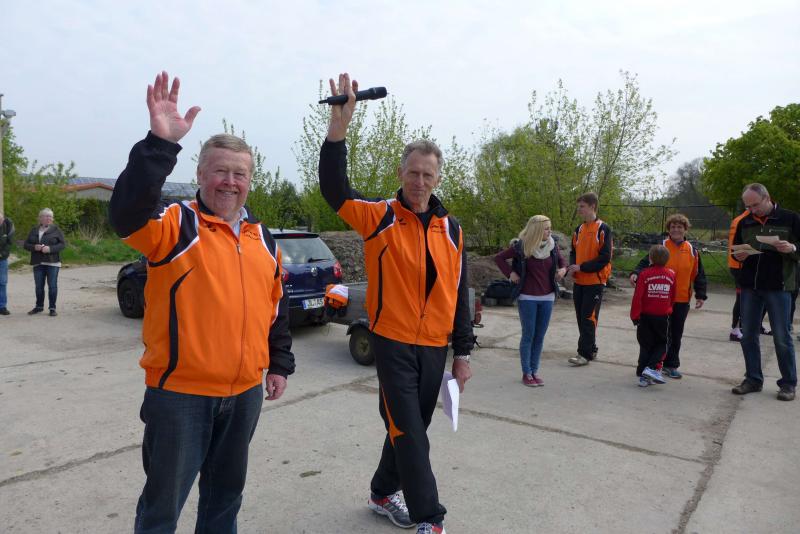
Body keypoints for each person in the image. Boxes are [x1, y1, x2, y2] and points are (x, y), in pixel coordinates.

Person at [108, 71, 294, 533]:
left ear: (250, 180)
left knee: (224, 502)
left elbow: (275, 307)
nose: (230, 182)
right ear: (200, 174)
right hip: (181, 396)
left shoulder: (263, 239)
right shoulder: (175, 226)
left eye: (240, 173)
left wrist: (278, 363)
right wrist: (159, 144)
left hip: (245, 393)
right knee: (162, 509)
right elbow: (126, 214)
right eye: (220, 171)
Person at [319, 73, 473, 534]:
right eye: (413, 173)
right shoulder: (379, 217)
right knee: (408, 430)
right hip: (392, 343)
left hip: (434, 346)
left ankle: (382, 491)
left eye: (428, 174)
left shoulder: (452, 230)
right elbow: (334, 188)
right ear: (401, 174)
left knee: (410, 431)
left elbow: (458, 292)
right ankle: (431, 518)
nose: (420, 181)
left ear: (438, 178)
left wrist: (462, 352)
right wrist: (339, 129)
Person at [731, 183, 800, 401]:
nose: (752, 210)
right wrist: (738, 255)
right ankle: (753, 379)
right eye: (748, 206)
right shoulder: (745, 222)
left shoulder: (791, 218)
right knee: (748, 335)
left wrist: (792, 248)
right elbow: (735, 250)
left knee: (782, 337)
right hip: (750, 286)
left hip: (779, 286)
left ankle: (788, 384)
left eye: (755, 205)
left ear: (767, 198)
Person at [629, 214, 707, 379]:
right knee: (656, 336)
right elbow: (644, 263)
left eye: (679, 227)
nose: (676, 230)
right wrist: (635, 273)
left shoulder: (692, 251)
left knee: (676, 334)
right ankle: (649, 365)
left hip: (681, 300)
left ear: (685, 229)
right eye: (673, 227)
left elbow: (699, 274)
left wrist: (701, 295)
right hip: (660, 300)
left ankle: (671, 365)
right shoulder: (661, 247)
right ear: (668, 229)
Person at [494, 215, 566, 386]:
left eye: (550, 228)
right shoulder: (521, 246)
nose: (549, 231)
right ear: (537, 230)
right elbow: (499, 258)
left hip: (548, 297)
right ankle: (526, 373)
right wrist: (510, 273)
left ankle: (534, 371)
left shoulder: (552, 245)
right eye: (546, 228)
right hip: (527, 298)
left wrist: (563, 270)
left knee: (539, 336)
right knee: (529, 335)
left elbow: (563, 262)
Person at [566, 192, 613, 366]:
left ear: (593, 206)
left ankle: (583, 354)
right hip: (579, 282)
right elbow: (573, 251)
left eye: (582, 207)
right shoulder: (578, 230)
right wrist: (572, 268)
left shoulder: (603, 229)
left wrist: (583, 267)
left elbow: (605, 257)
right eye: (578, 207)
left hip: (595, 282)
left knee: (588, 318)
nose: (579, 210)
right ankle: (591, 349)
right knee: (581, 318)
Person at [630, 244, 675, 387]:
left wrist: (634, 315)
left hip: (644, 317)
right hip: (662, 317)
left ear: (650, 258)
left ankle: (643, 375)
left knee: (646, 345)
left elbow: (637, 297)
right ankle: (650, 369)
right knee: (663, 343)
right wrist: (669, 309)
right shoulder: (671, 274)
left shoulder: (644, 274)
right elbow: (673, 296)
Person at [23, 208, 66, 316]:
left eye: (50, 216)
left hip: (53, 263)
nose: (49, 218)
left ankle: (52, 308)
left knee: (52, 286)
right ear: (40, 218)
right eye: (46, 216)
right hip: (38, 262)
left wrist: (50, 249)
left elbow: (62, 245)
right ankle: (39, 307)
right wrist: (34, 247)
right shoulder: (34, 230)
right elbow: (26, 245)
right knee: (39, 287)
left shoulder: (56, 230)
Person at [727, 209, 749, 341]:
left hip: (736, 264)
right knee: (742, 298)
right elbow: (740, 245)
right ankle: (735, 329)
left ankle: (739, 328)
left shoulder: (738, 219)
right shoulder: (744, 220)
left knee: (743, 298)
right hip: (740, 266)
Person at [0, 212, 14, 315]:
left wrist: (2, 254)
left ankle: (2, 306)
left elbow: (9, 243)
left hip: (2, 259)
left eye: (0, 219)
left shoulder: (7, 227)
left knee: (2, 282)